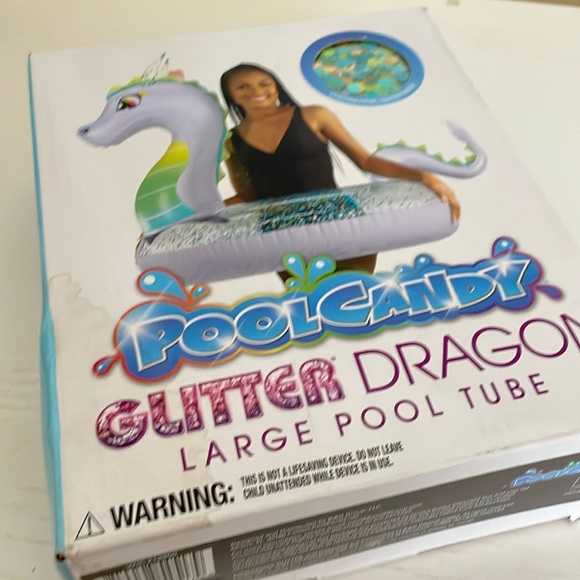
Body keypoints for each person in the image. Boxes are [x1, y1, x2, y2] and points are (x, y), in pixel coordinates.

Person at [220, 63, 460, 275]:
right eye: (243, 87)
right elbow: (248, 196)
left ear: (276, 86)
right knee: (316, 302)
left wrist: (422, 176)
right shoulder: (231, 141)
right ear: (231, 95)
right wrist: (204, 213)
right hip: (282, 233)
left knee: (355, 292)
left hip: (340, 222)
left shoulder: (314, 115)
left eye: (264, 83)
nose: (256, 91)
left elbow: (366, 161)